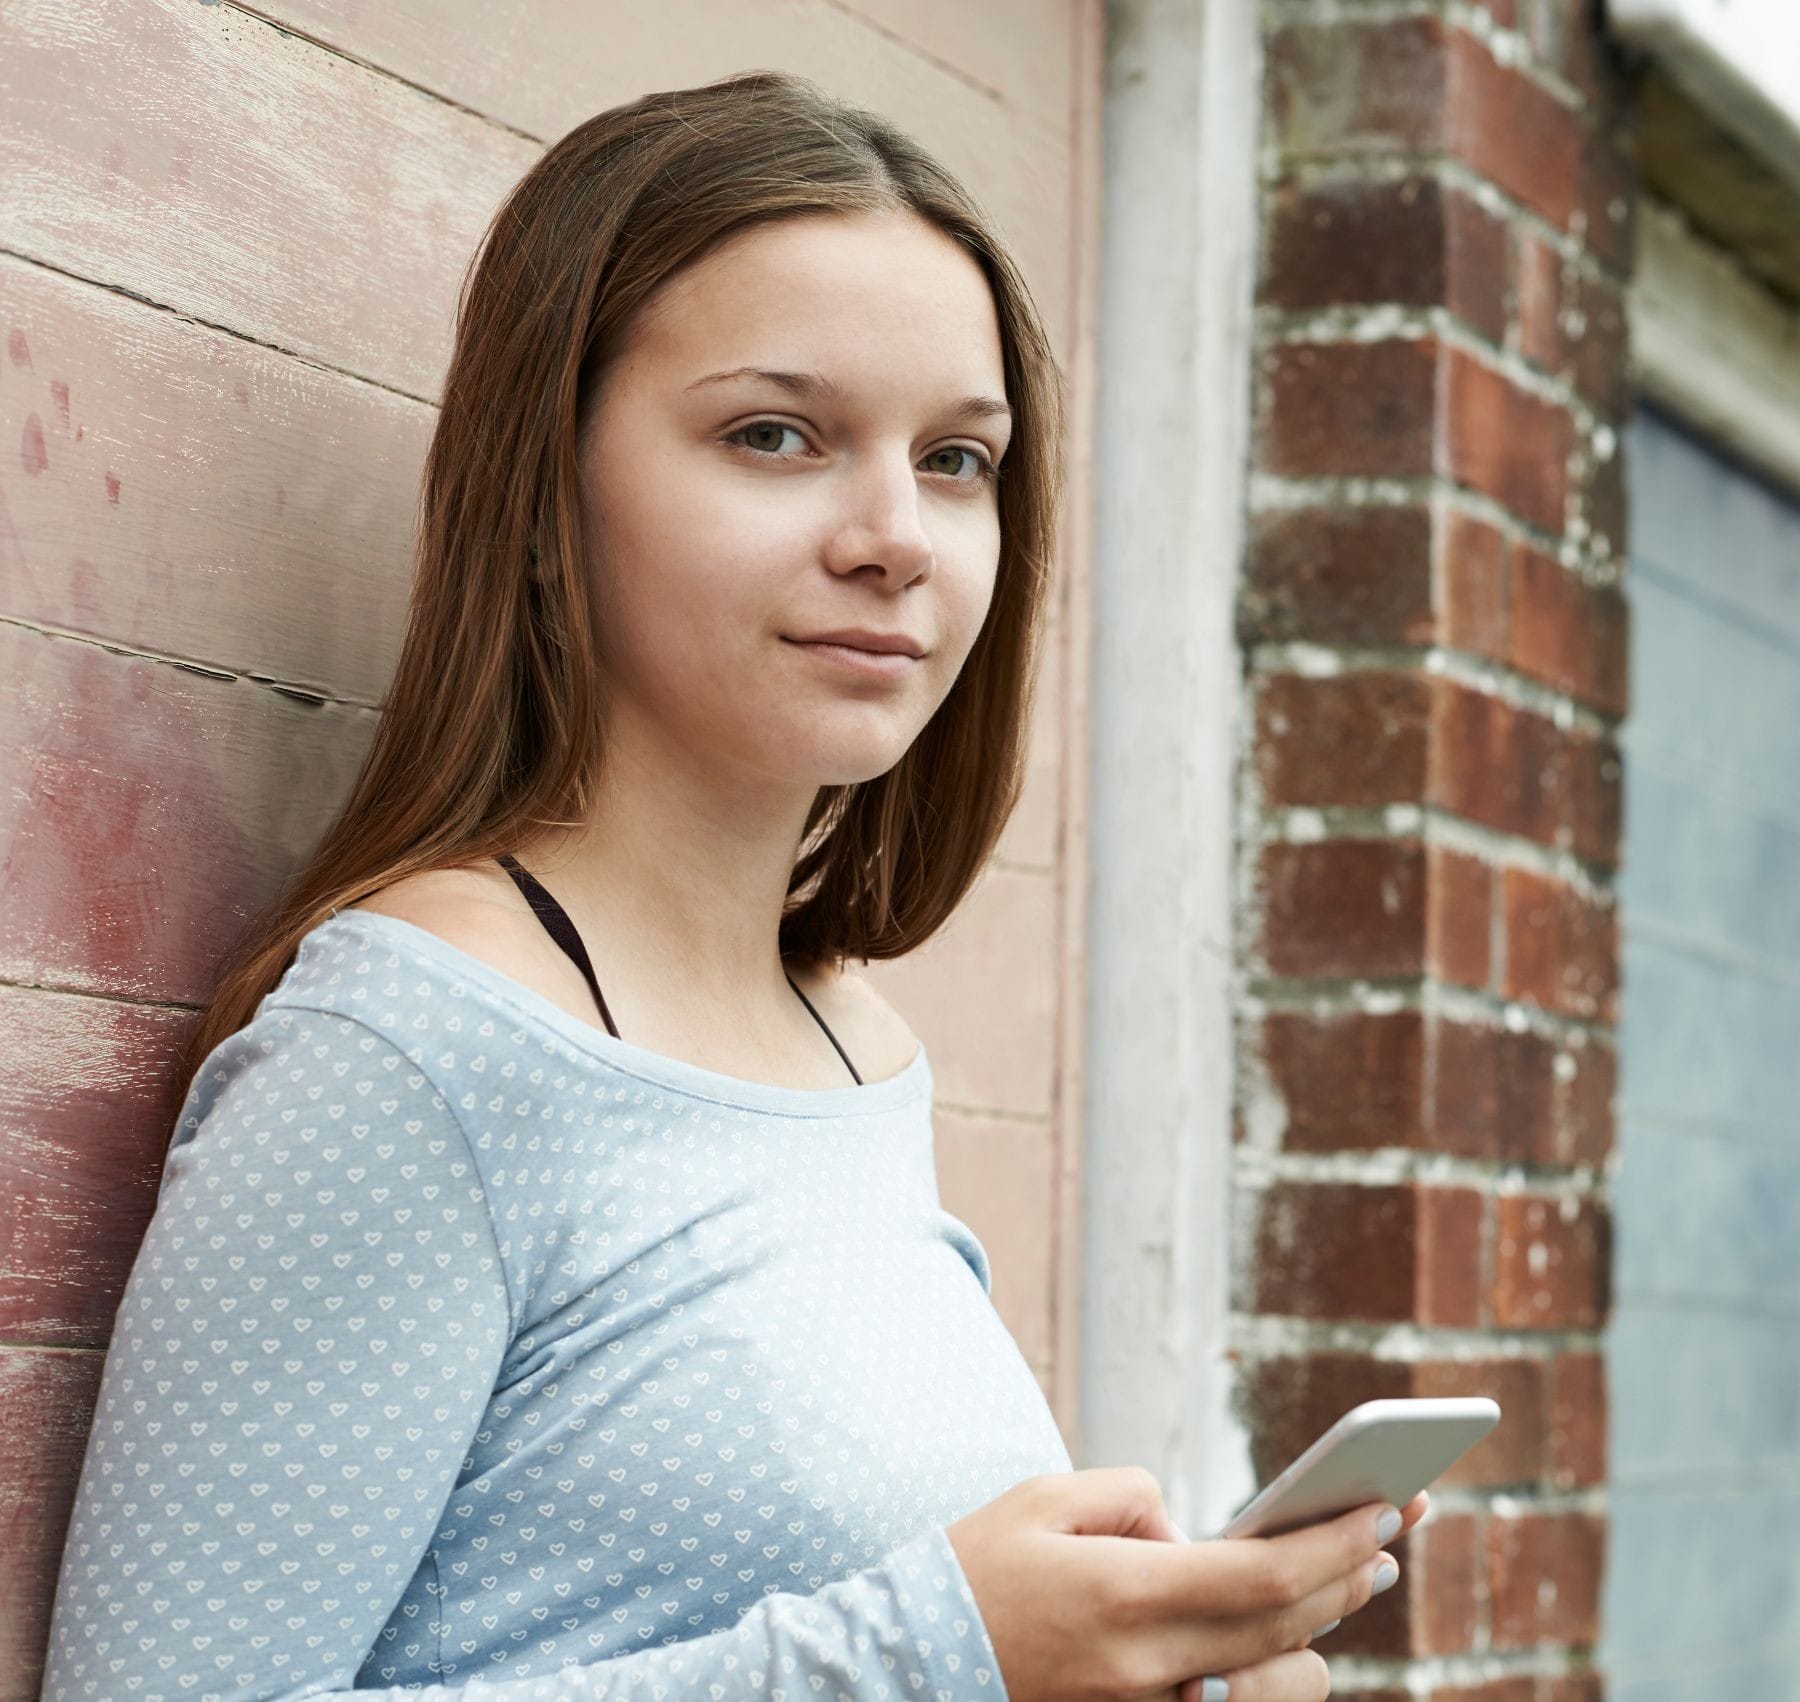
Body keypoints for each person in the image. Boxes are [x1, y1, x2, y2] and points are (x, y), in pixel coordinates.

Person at [40, 71, 1422, 1702]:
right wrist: (933, 1654)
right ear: (548, 491)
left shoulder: (846, 1042)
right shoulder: (412, 1052)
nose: (896, 534)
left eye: (960, 459)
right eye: (777, 434)